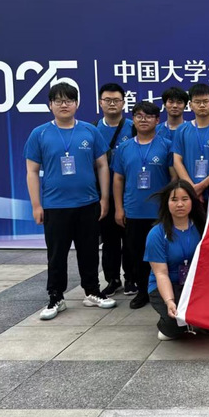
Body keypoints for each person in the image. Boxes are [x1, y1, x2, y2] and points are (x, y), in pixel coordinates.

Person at [24, 82, 117, 320]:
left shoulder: (89, 131)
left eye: (68, 100)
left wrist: (104, 198)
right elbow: (32, 171)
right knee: (57, 254)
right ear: (50, 105)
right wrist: (36, 205)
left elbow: (102, 165)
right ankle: (56, 296)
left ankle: (92, 291)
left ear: (76, 104)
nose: (64, 104)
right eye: (58, 100)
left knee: (89, 251)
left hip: (88, 203)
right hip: (55, 206)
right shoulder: (39, 134)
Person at [144, 179, 209, 340]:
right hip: (168, 285)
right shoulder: (156, 234)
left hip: (196, 285)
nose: (180, 204)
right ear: (167, 203)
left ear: (192, 201)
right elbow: (161, 274)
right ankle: (173, 323)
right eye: (174, 200)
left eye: (185, 199)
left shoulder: (203, 228)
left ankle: (200, 323)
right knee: (174, 326)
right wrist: (170, 301)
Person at [112, 101, 176, 309]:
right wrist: (119, 208)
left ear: (157, 120)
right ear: (133, 119)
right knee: (137, 254)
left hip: (160, 212)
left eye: (148, 116)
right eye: (139, 116)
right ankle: (142, 291)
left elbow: (174, 178)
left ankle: (165, 291)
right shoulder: (124, 148)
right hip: (134, 211)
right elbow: (118, 179)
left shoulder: (167, 145)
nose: (143, 120)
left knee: (163, 253)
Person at [95, 83, 135, 297]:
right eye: (107, 100)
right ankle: (112, 279)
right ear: (100, 103)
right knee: (109, 241)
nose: (112, 104)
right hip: (104, 196)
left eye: (116, 100)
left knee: (130, 240)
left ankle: (131, 279)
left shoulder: (134, 127)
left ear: (123, 103)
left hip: (130, 195)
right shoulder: (92, 129)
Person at [172, 84, 209, 202]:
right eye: (197, 102)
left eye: (206, 101)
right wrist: (192, 188)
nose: (202, 105)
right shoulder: (182, 130)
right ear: (190, 105)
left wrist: (201, 187)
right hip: (187, 193)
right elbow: (177, 161)